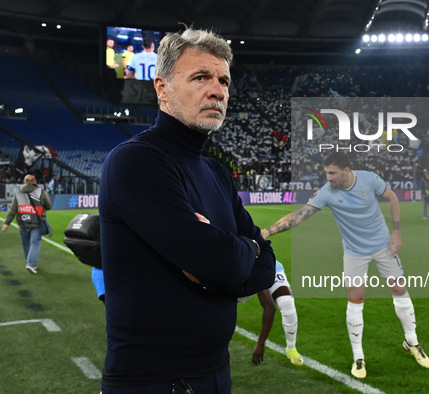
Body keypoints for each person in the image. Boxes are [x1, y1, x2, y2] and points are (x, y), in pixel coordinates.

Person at [99, 26, 275, 393]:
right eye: (201, 77)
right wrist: (241, 251)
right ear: (162, 88)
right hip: (154, 381)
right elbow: (221, 262)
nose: (218, 91)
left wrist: (233, 256)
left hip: (216, 371)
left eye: (224, 81)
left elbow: (264, 267)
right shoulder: (137, 161)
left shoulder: (216, 171)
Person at [261, 152, 429, 379]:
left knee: (399, 290)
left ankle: (412, 342)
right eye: (326, 173)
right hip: (354, 253)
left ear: (347, 170)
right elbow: (299, 216)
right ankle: (358, 357)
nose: (328, 177)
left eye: (332, 173)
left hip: (383, 246)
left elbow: (392, 198)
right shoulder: (327, 193)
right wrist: (265, 232)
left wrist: (397, 231)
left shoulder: (369, 179)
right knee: (356, 298)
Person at [240, 260, 303, 366]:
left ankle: (291, 348)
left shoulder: (263, 264)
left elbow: (269, 307)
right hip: (243, 271)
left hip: (268, 266)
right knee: (224, 305)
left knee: (287, 304)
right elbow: (269, 306)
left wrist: (261, 343)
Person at [1, 174, 52, 274]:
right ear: (35, 182)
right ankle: (31, 264)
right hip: (36, 222)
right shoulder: (41, 192)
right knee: (35, 243)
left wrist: (6, 223)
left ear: (24, 182)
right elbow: (49, 206)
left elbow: (13, 210)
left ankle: (30, 262)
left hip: (23, 222)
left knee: (26, 244)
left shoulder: (18, 193)